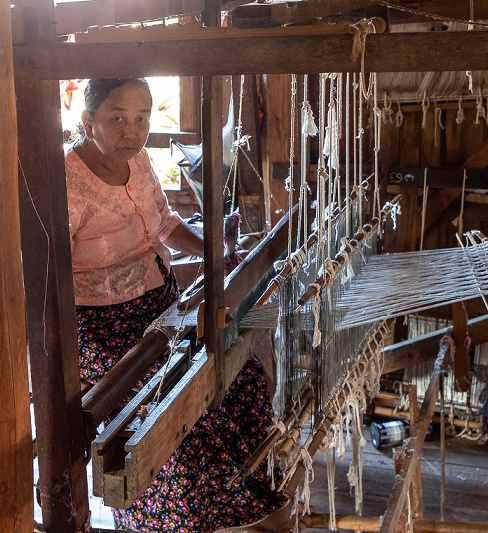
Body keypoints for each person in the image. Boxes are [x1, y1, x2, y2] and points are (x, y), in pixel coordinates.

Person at [67, 78, 311, 533]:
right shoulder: (67, 183)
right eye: (117, 117)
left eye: (142, 118)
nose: (132, 130)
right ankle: (183, 520)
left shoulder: (138, 162)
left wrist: (213, 251)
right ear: (87, 121)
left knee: (236, 384)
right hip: (101, 327)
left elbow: (165, 224)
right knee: (172, 423)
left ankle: (248, 506)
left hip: (158, 309)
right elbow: (47, 275)